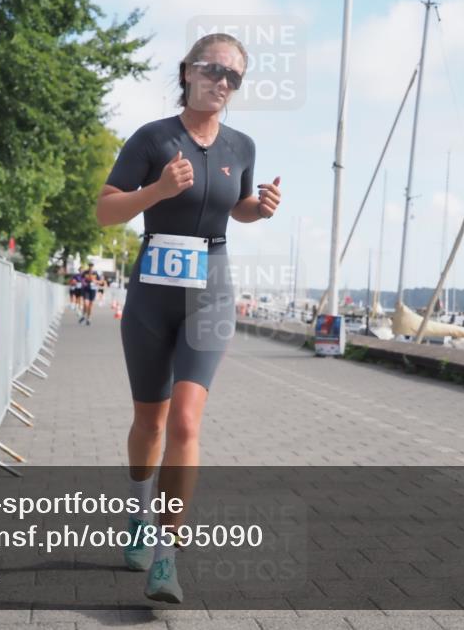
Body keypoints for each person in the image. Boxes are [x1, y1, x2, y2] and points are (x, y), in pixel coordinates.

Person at [95, 32, 281, 603]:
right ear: (188, 71)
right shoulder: (153, 138)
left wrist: (261, 208)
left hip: (211, 289)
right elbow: (105, 211)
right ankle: (137, 511)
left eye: (233, 77)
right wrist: (156, 189)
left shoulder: (241, 146)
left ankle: (166, 557)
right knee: (149, 424)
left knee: (186, 423)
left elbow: (237, 208)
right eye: (213, 70)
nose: (222, 82)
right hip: (153, 291)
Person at [79, 261, 99, 326]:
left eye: (92, 266)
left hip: (92, 290)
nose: (91, 267)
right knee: (85, 304)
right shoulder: (85, 272)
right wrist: (83, 282)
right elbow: (81, 279)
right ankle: (84, 315)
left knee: (90, 305)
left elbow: (100, 281)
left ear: (93, 266)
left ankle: (88, 318)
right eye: (90, 265)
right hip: (86, 289)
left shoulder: (95, 273)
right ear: (88, 266)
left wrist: (95, 281)